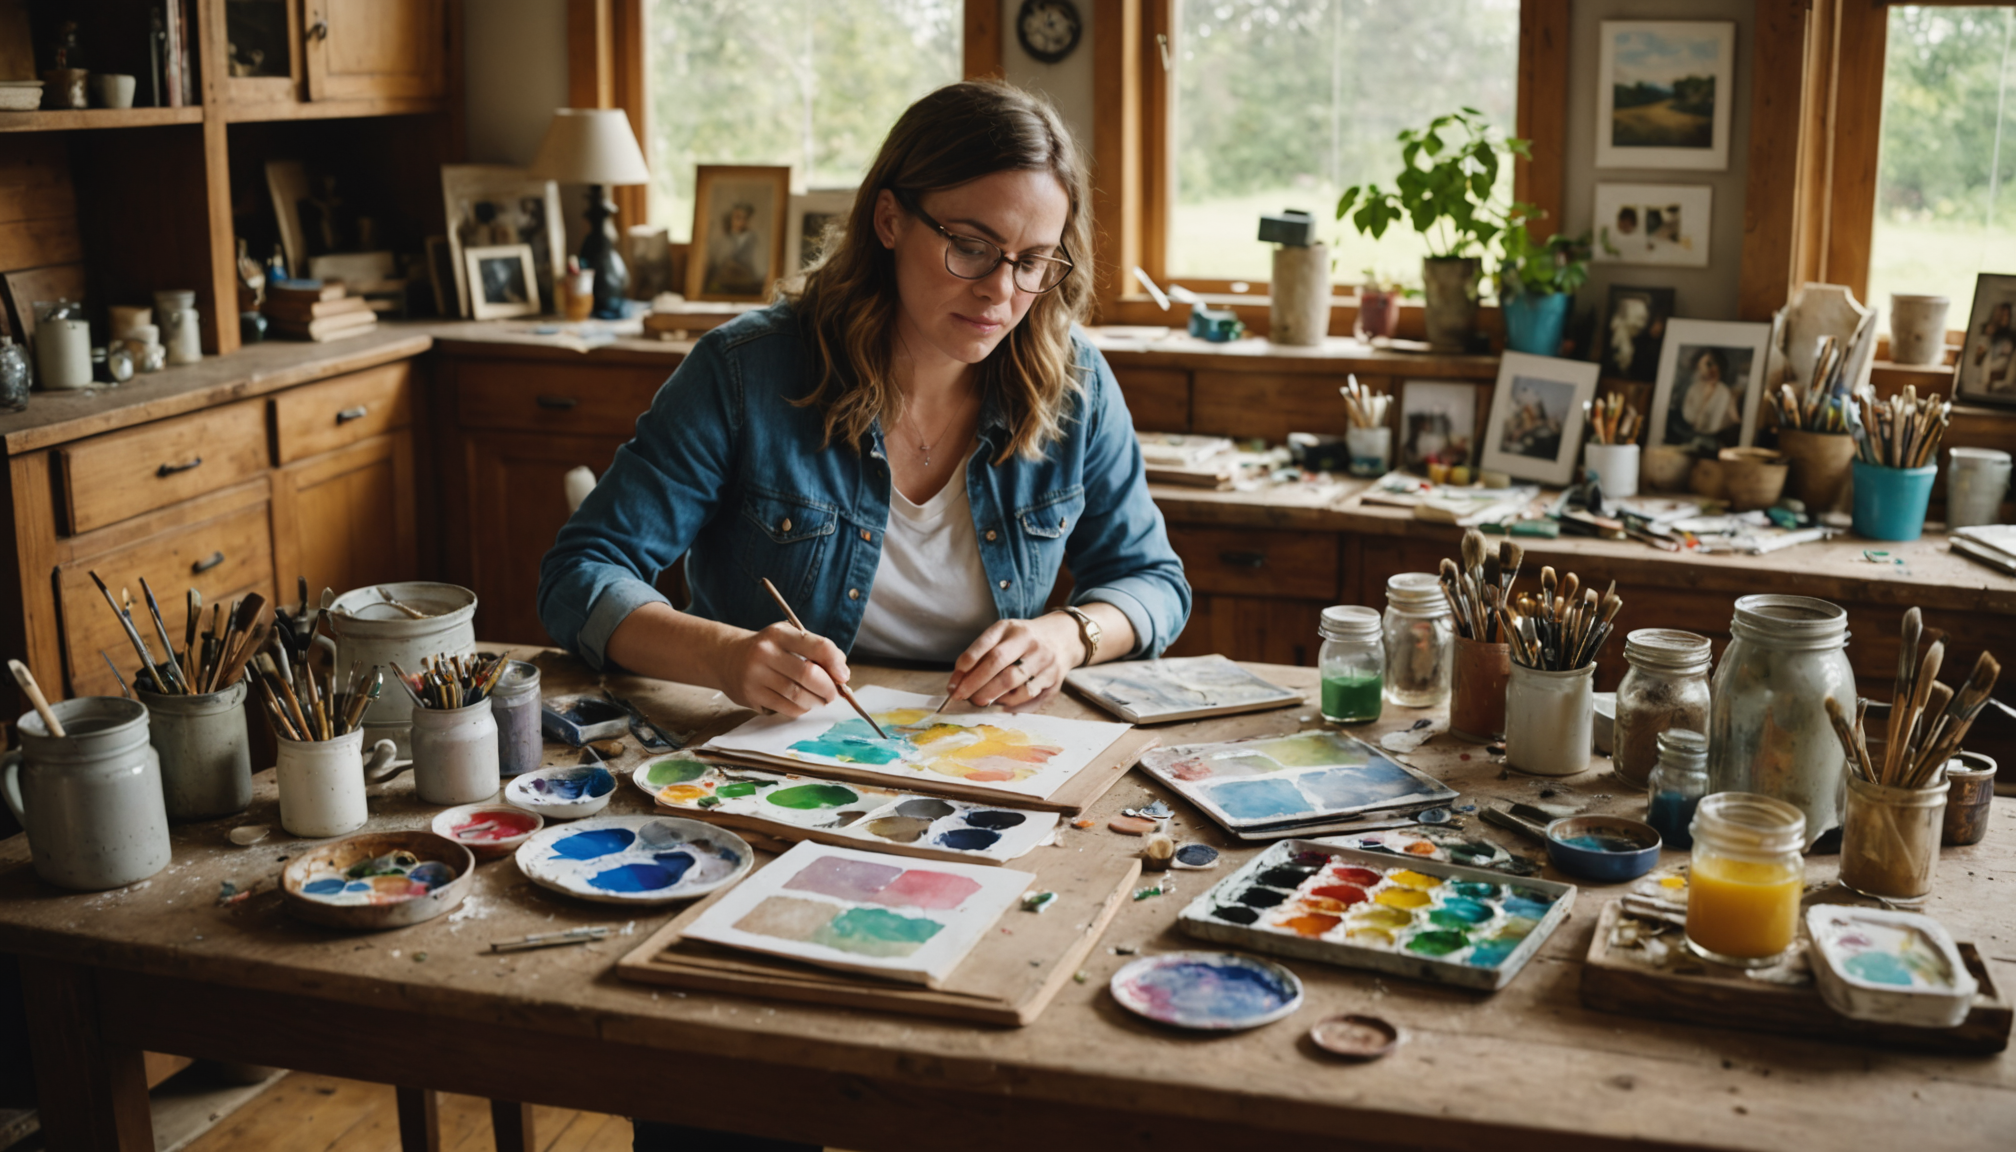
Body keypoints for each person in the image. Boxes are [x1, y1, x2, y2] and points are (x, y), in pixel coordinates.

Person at [541, 81, 1190, 1150]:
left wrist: (1068, 633)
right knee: (729, 1082)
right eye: (971, 247)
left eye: (1036, 261)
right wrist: (727, 654)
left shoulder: (1072, 385)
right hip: (769, 784)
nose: (1003, 290)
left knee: (1002, 1064)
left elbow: (1154, 584)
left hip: (984, 790)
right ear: (890, 218)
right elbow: (581, 573)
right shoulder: (746, 372)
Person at [1669, 346, 1741, 449]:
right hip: (1689, 438)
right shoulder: (1695, 388)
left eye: (1711, 364)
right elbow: (1689, 416)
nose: (1708, 370)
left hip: (1713, 442)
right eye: (1703, 365)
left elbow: (1715, 424)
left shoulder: (1724, 393)